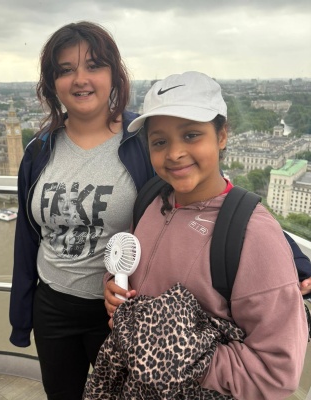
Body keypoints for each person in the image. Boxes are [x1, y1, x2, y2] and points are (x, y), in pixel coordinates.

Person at [102, 72, 309, 399]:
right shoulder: (150, 200)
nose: (174, 153)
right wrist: (113, 287)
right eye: (159, 142)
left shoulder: (254, 236)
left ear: (222, 135)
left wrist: (178, 356)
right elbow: (132, 264)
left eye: (191, 135)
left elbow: (276, 374)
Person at [9, 21, 153, 400]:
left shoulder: (144, 140)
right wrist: (21, 317)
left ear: (114, 74)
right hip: (53, 306)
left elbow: (204, 196)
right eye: (65, 69)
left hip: (120, 309)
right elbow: (27, 238)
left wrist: (293, 259)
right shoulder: (39, 151)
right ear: (52, 83)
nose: (80, 79)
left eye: (93, 65)